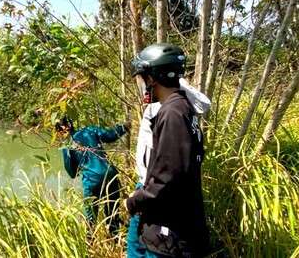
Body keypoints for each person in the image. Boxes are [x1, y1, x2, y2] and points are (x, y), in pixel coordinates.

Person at [125, 43, 209, 258]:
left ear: (152, 78)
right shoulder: (182, 108)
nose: (144, 85)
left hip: (170, 233)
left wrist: (134, 200)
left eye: (143, 78)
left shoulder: (172, 113)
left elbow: (168, 176)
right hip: (175, 225)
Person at [57, 117, 130, 234]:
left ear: (59, 132)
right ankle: (117, 242)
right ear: (71, 124)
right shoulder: (89, 130)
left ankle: (92, 247)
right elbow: (110, 135)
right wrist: (124, 127)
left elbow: (71, 173)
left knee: (91, 220)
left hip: (92, 180)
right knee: (113, 216)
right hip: (110, 174)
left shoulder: (67, 145)